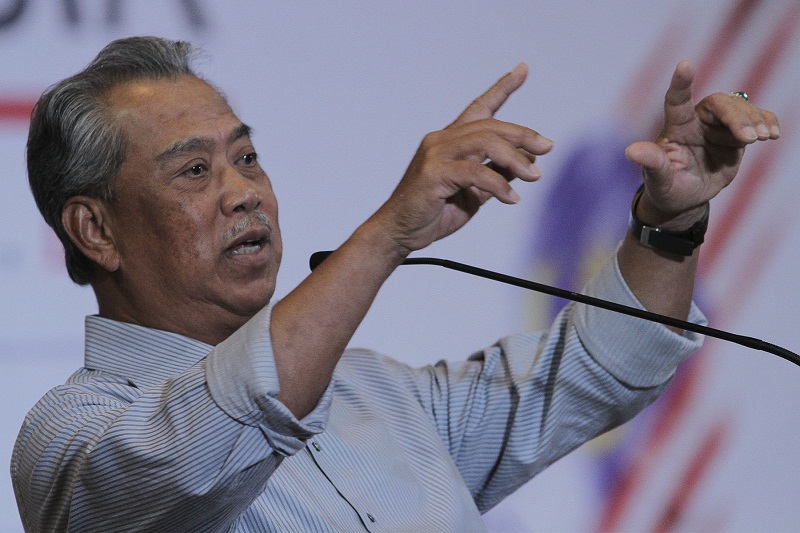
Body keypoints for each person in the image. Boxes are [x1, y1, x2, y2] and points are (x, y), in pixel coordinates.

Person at [11, 36, 778, 531]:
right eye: (193, 170)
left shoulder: (376, 393)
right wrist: (387, 234)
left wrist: (669, 219)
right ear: (95, 230)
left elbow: (592, 373)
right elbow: (199, 452)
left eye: (246, 158)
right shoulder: (70, 438)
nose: (243, 192)